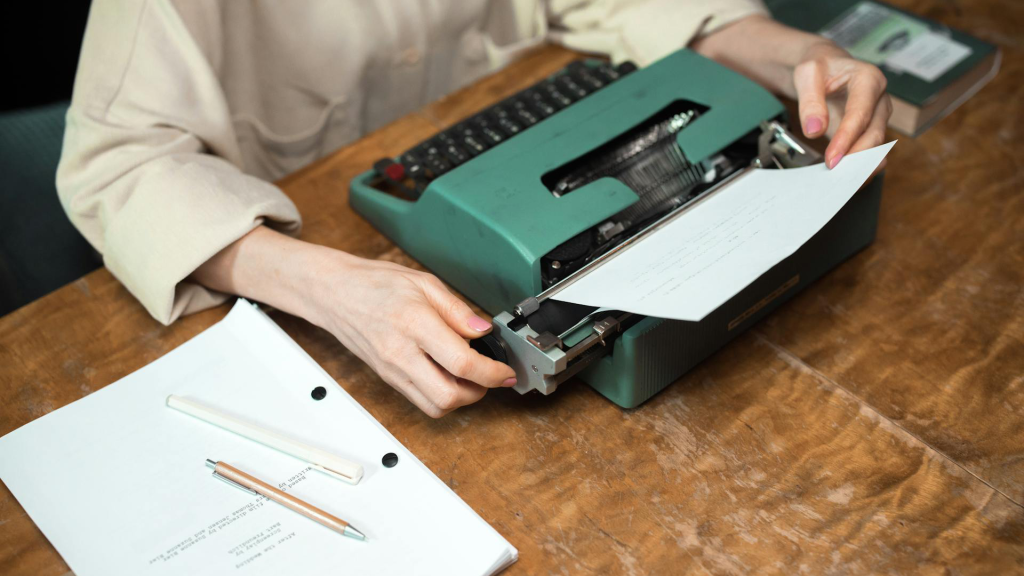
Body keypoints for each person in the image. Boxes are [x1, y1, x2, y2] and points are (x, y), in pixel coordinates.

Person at [57, 1, 891, 418]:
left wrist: (799, 54)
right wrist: (329, 287)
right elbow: (119, 163)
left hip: (537, 129)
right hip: (318, 238)